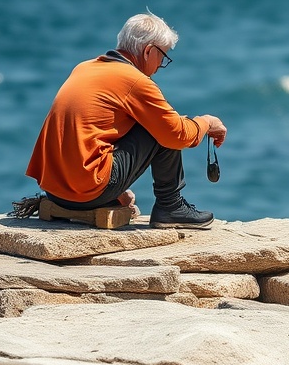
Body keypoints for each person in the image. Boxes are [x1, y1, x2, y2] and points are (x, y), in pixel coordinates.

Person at [24, 12, 226, 228]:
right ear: (148, 51)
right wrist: (206, 122)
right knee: (163, 127)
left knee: (154, 120)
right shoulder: (135, 81)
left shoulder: (84, 67)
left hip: (55, 191)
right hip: (87, 192)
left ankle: (105, 191)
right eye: (163, 57)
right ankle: (171, 206)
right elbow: (176, 135)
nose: (160, 66)